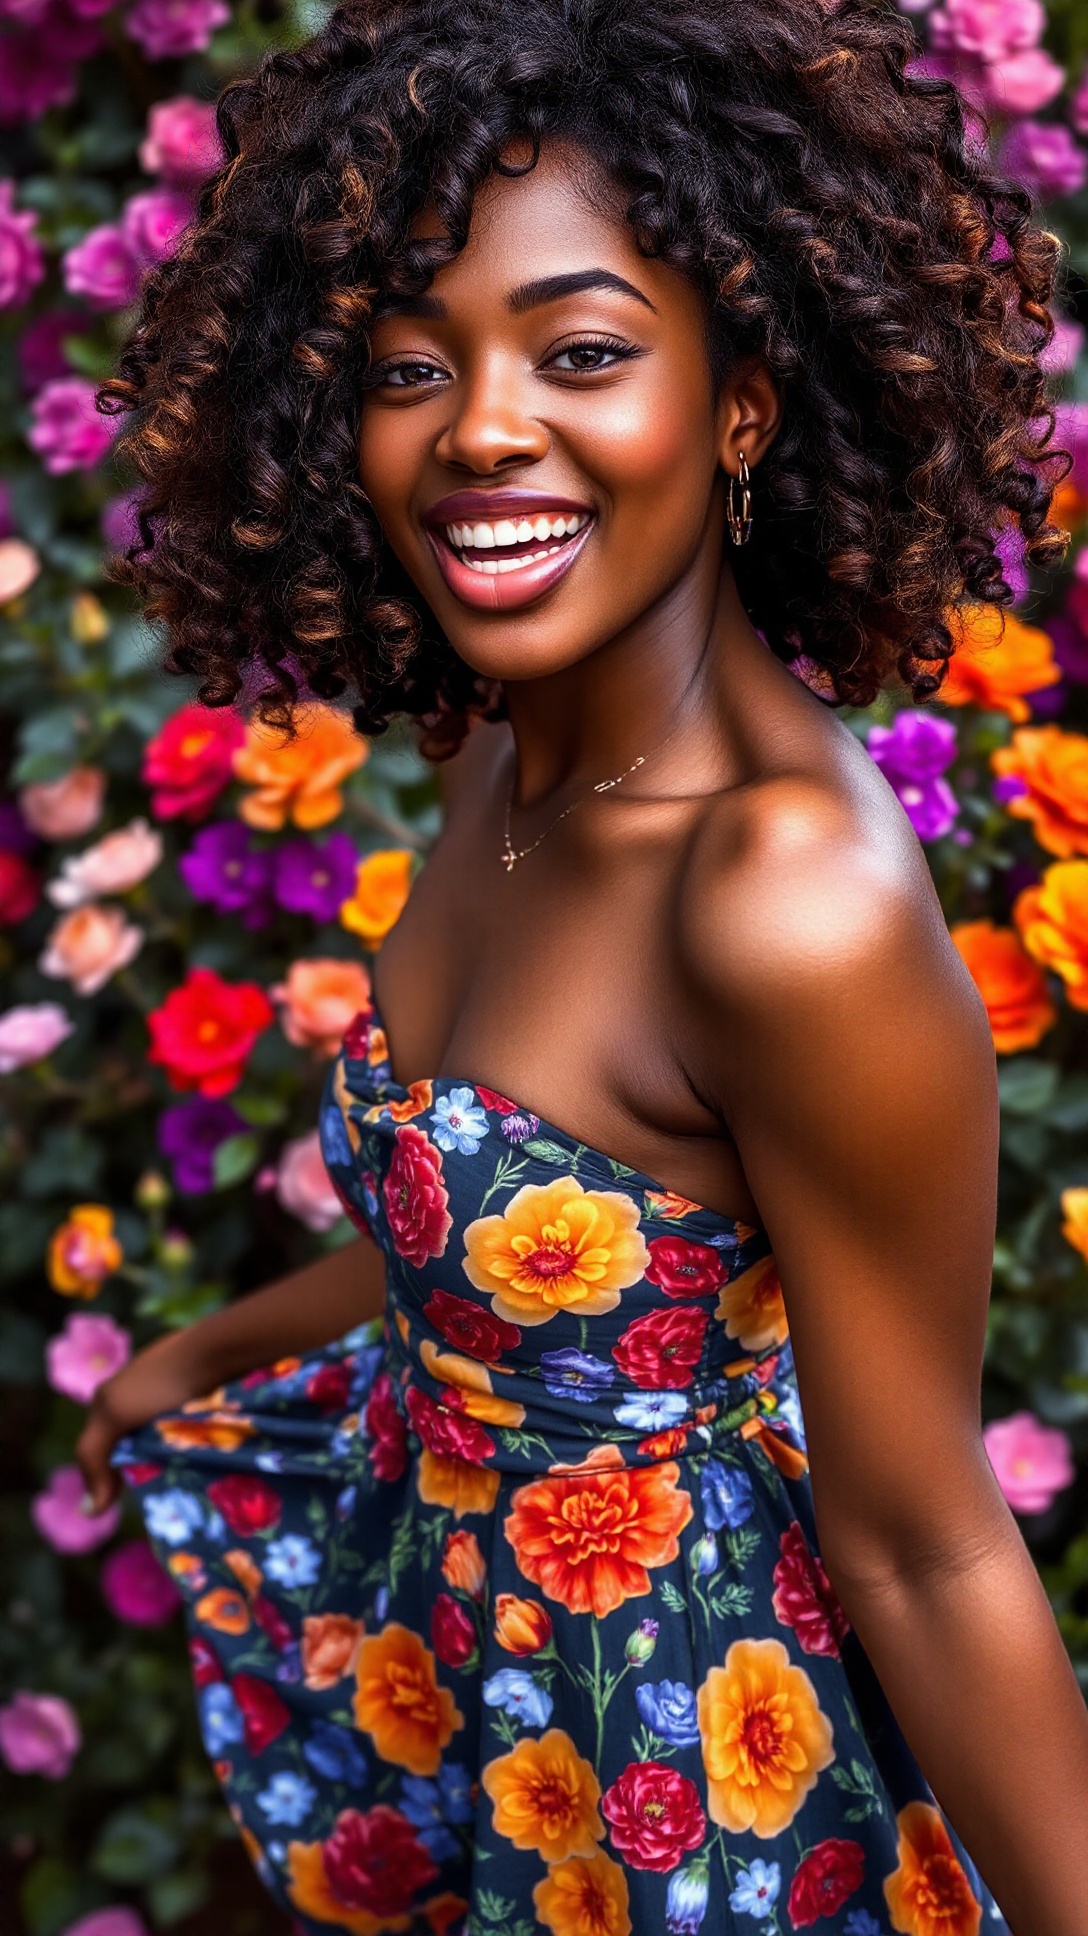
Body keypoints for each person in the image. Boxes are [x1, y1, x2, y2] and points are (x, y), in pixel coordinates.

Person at [77, 0, 1088, 1930]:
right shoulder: (518, 759)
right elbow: (544, 1238)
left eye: (585, 351)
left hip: (683, 1795)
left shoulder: (781, 898)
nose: (480, 426)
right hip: (489, 1702)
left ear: (740, 405)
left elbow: (929, 1544)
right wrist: (221, 1347)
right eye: (405, 364)